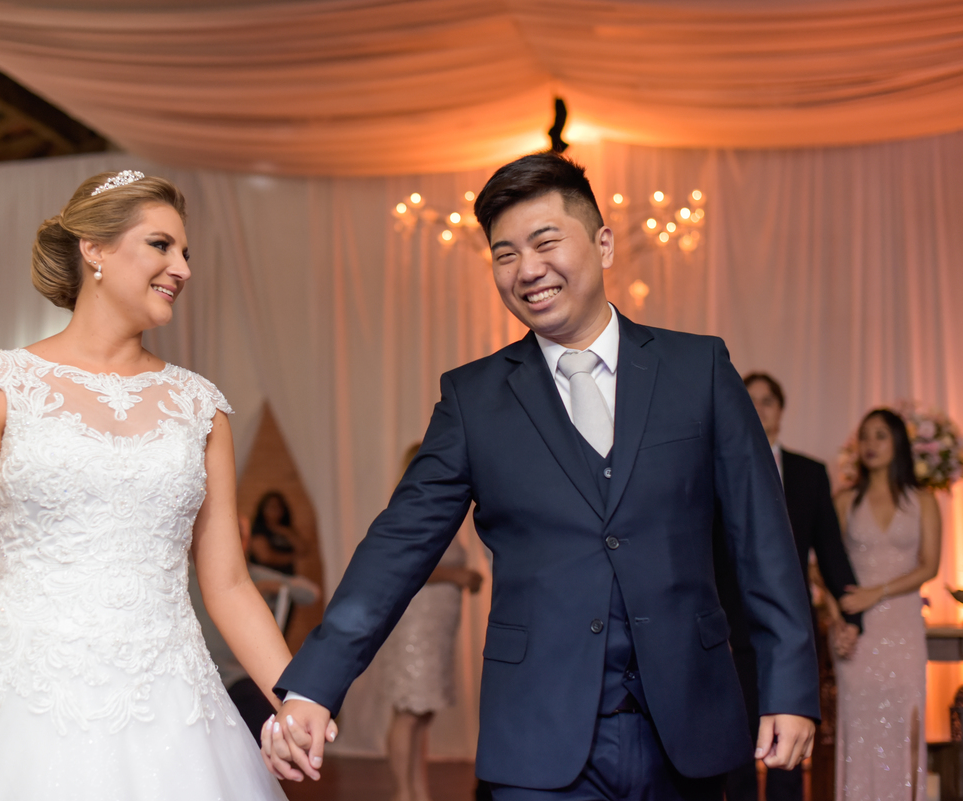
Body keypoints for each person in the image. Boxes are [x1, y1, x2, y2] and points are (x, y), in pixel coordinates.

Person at [264, 152, 819, 800]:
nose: (527, 269)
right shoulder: (474, 400)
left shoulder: (699, 368)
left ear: (603, 242)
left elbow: (764, 541)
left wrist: (790, 688)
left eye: (544, 241)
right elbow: (398, 544)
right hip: (538, 737)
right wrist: (314, 683)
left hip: (688, 726)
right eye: (504, 254)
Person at [0, 170, 332, 801]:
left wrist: (296, 698)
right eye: (160, 245)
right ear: (93, 248)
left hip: (168, 704)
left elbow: (228, 583)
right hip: (17, 697)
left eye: (185, 252)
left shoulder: (201, 407)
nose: (182, 267)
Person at [720, 372, 862, 801]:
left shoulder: (809, 473)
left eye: (768, 401)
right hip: (731, 624)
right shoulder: (719, 465)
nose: (760, 408)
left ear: (781, 410)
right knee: (738, 739)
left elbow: (830, 549)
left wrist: (852, 611)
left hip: (790, 624)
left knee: (789, 737)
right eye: (751, 399)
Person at [833, 409, 940, 801]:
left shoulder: (923, 501)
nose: (870, 444)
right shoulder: (844, 501)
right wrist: (839, 619)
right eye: (864, 437)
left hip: (904, 628)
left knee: (904, 726)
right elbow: (820, 570)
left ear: (897, 442)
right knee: (858, 727)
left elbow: (929, 565)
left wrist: (875, 593)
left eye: (880, 435)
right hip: (855, 633)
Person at [379, 442, 483, 801]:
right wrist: (458, 576)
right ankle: (403, 793)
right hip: (416, 624)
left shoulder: (436, 505)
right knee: (409, 709)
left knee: (422, 713)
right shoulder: (410, 507)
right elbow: (409, 566)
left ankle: (417, 790)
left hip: (434, 625)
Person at [190, 515, 321, 744]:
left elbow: (310, 593)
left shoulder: (250, 575)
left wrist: (277, 586)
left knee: (262, 716)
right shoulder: (184, 574)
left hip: (234, 674)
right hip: (192, 672)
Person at [249, 491, 308, 576]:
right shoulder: (258, 530)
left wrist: (286, 532)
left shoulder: (286, 529)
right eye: (272, 507)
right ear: (263, 509)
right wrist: (291, 557)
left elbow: (303, 549)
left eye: (279, 507)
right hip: (265, 577)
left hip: (288, 576)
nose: (275, 511)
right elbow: (266, 557)